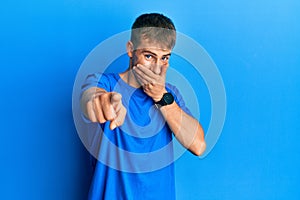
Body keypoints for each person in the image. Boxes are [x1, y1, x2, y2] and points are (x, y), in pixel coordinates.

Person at [80, 13, 206, 200]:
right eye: (149, 56)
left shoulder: (171, 94)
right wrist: (103, 102)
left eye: (164, 58)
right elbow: (90, 98)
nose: (157, 68)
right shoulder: (103, 82)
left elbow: (198, 145)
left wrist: (161, 98)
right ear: (131, 49)